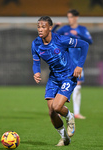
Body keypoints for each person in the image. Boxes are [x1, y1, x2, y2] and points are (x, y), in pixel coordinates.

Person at [31, 16, 89, 146]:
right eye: (38, 27)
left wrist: (79, 65)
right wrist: (36, 72)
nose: (40, 29)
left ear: (50, 28)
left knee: (57, 107)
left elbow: (84, 45)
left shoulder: (61, 40)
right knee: (51, 112)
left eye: (43, 27)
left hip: (68, 75)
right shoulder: (36, 44)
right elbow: (35, 62)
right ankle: (65, 138)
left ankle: (70, 116)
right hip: (54, 78)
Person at [52, 9, 93, 119]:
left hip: (79, 63)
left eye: (70, 17)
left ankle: (77, 112)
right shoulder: (65, 29)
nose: (69, 19)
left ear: (76, 17)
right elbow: (53, 36)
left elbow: (90, 41)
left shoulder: (82, 29)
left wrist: (78, 34)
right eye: (68, 17)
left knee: (78, 87)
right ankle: (60, 108)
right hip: (66, 62)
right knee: (64, 85)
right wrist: (55, 26)